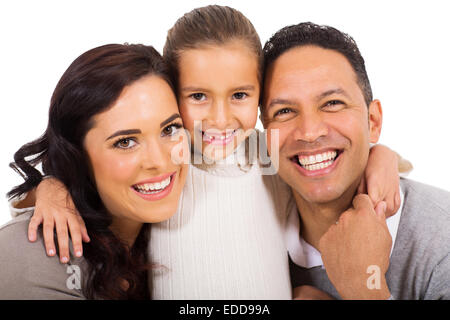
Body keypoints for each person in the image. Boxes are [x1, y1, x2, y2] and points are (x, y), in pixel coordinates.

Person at [10, 6, 406, 299]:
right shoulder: (167, 162)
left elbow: (329, 159)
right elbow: (84, 183)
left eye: (239, 95)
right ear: (172, 92)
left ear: (261, 95)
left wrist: (381, 155)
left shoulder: (264, 153)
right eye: (198, 96)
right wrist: (51, 188)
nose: (219, 120)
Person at [262, 22, 450, 299]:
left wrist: (364, 288)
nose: (310, 132)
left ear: (372, 121)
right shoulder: (250, 218)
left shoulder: (442, 244)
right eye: (284, 111)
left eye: (332, 103)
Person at [0, 44, 188, 299]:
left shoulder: (158, 235)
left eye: (170, 129)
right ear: (76, 156)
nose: (160, 160)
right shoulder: (34, 255)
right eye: (125, 142)